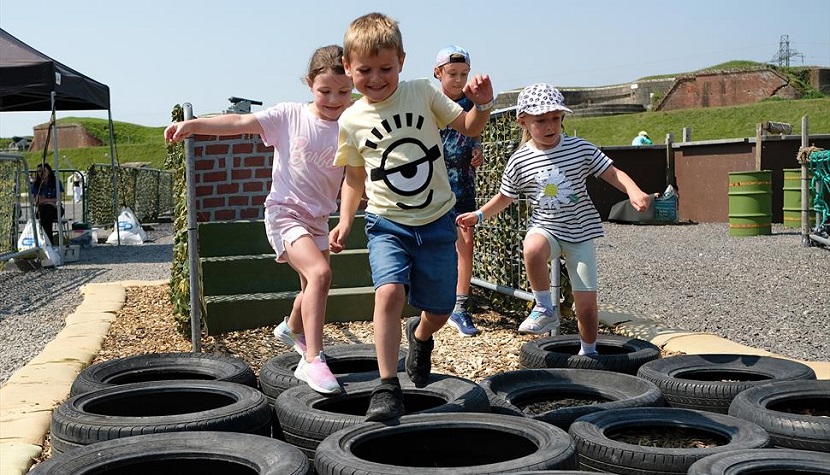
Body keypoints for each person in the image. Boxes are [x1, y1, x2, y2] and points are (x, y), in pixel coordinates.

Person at [329, 12, 494, 421]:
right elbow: (353, 179)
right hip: (386, 223)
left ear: (401, 61)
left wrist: (483, 102)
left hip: (437, 219)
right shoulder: (351, 119)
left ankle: (419, 336)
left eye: (385, 68)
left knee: (438, 310)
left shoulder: (421, 93)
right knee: (388, 293)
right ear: (348, 68)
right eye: (364, 70)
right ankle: (387, 387)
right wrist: (346, 219)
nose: (376, 78)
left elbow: (469, 126)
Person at [164, 45, 353, 395]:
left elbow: (358, 177)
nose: (334, 99)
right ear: (310, 84)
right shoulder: (290, 116)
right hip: (285, 213)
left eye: (343, 91)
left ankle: (290, 328)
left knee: (313, 287)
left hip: (318, 219)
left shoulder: (351, 124)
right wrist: (194, 125)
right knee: (321, 275)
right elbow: (238, 122)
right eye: (325, 91)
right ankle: (313, 360)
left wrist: (345, 218)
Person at [457, 83, 650, 357]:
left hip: (580, 233)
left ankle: (589, 352)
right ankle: (544, 307)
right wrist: (479, 215)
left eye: (555, 119)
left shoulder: (579, 148)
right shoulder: (519, 161)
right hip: (546, 228)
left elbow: (611, 173)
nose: (550, 126)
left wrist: (634, 190)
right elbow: (504, 198)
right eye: (541, 120)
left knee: (586, 307)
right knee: (532, 247)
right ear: (523, 121)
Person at [433, 45, 483, 337]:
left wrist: (478, 148)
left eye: (464, 74)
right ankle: (436, 301)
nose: (458, 79)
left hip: (463, 182)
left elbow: (474, 131)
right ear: (438, 73)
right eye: (452, 73)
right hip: (433, 186)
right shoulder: (429, 101)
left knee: (465, 241)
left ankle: (460, 307)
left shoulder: (470, 102)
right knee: (436, 244)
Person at [30, 162, 63, 246]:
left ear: (49, 172)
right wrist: (50, 201)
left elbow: (59, 198)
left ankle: (46, 241)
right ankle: (49, 241)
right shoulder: (36, 184)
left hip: (56, 209)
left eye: (44, 171)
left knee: (47, 212)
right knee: (46, 212)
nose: (41, 173)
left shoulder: (56, 182)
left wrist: (45, 200)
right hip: (43, 210)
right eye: (39, 171)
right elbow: (37, 201)